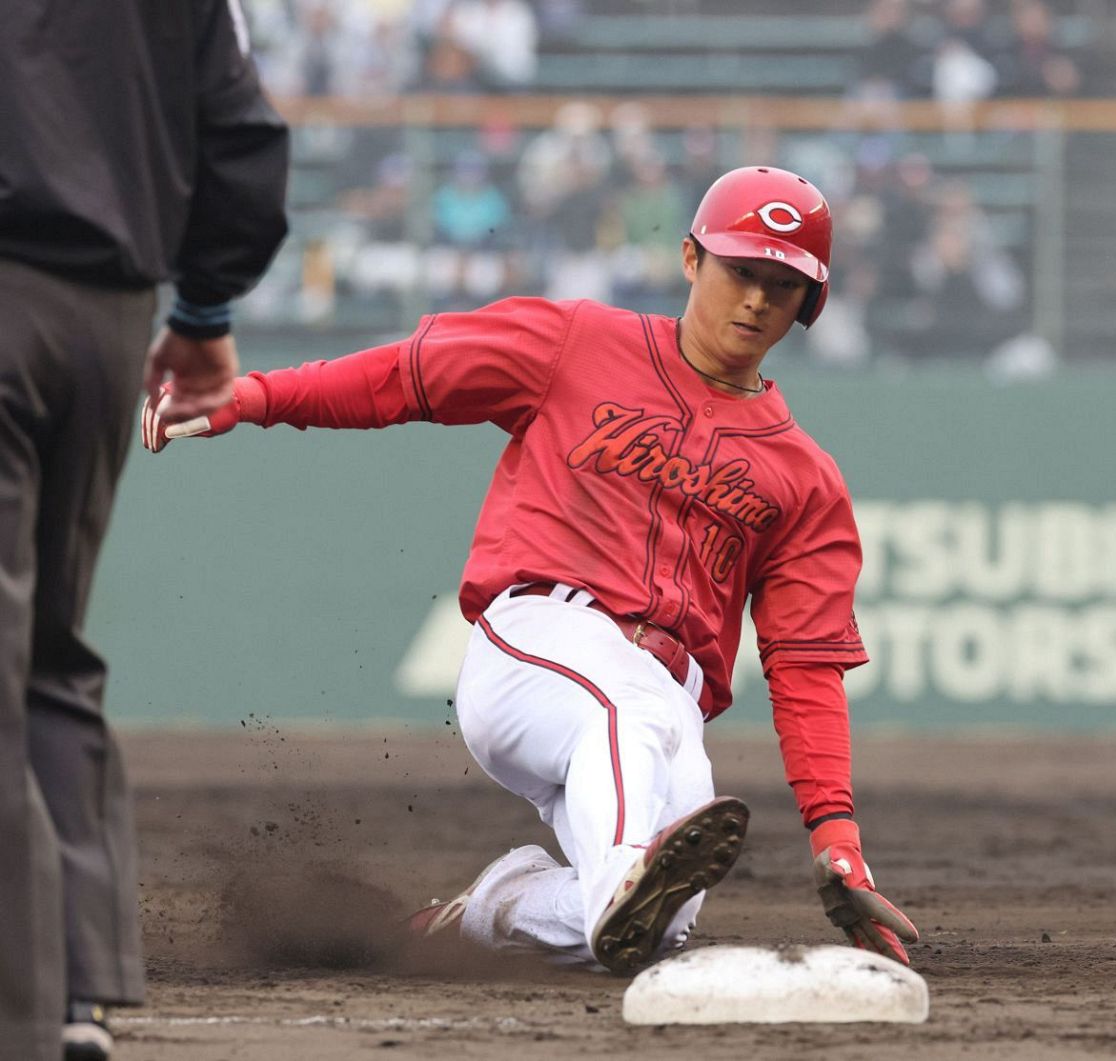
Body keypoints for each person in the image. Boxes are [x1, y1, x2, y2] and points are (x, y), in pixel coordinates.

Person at [142, 166, 918, 975]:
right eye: (741, 271)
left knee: (666, 917)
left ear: (809, 303)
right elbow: (406, 376)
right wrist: (252, 396)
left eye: (782, 284)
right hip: (540, 646)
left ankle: (489, 911)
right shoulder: (578, 342)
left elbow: (805, 666)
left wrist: (836, 836)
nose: (756, 299)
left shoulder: (806, 479)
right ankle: (623, 879)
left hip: (666, 703)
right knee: (629, 727)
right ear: (692, 258)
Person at [0, 2, 289, 1059]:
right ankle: (76, 988)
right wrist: (203, 311)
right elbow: (245, 141)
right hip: (109, 318)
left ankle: (16, 1008)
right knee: (51, 654)